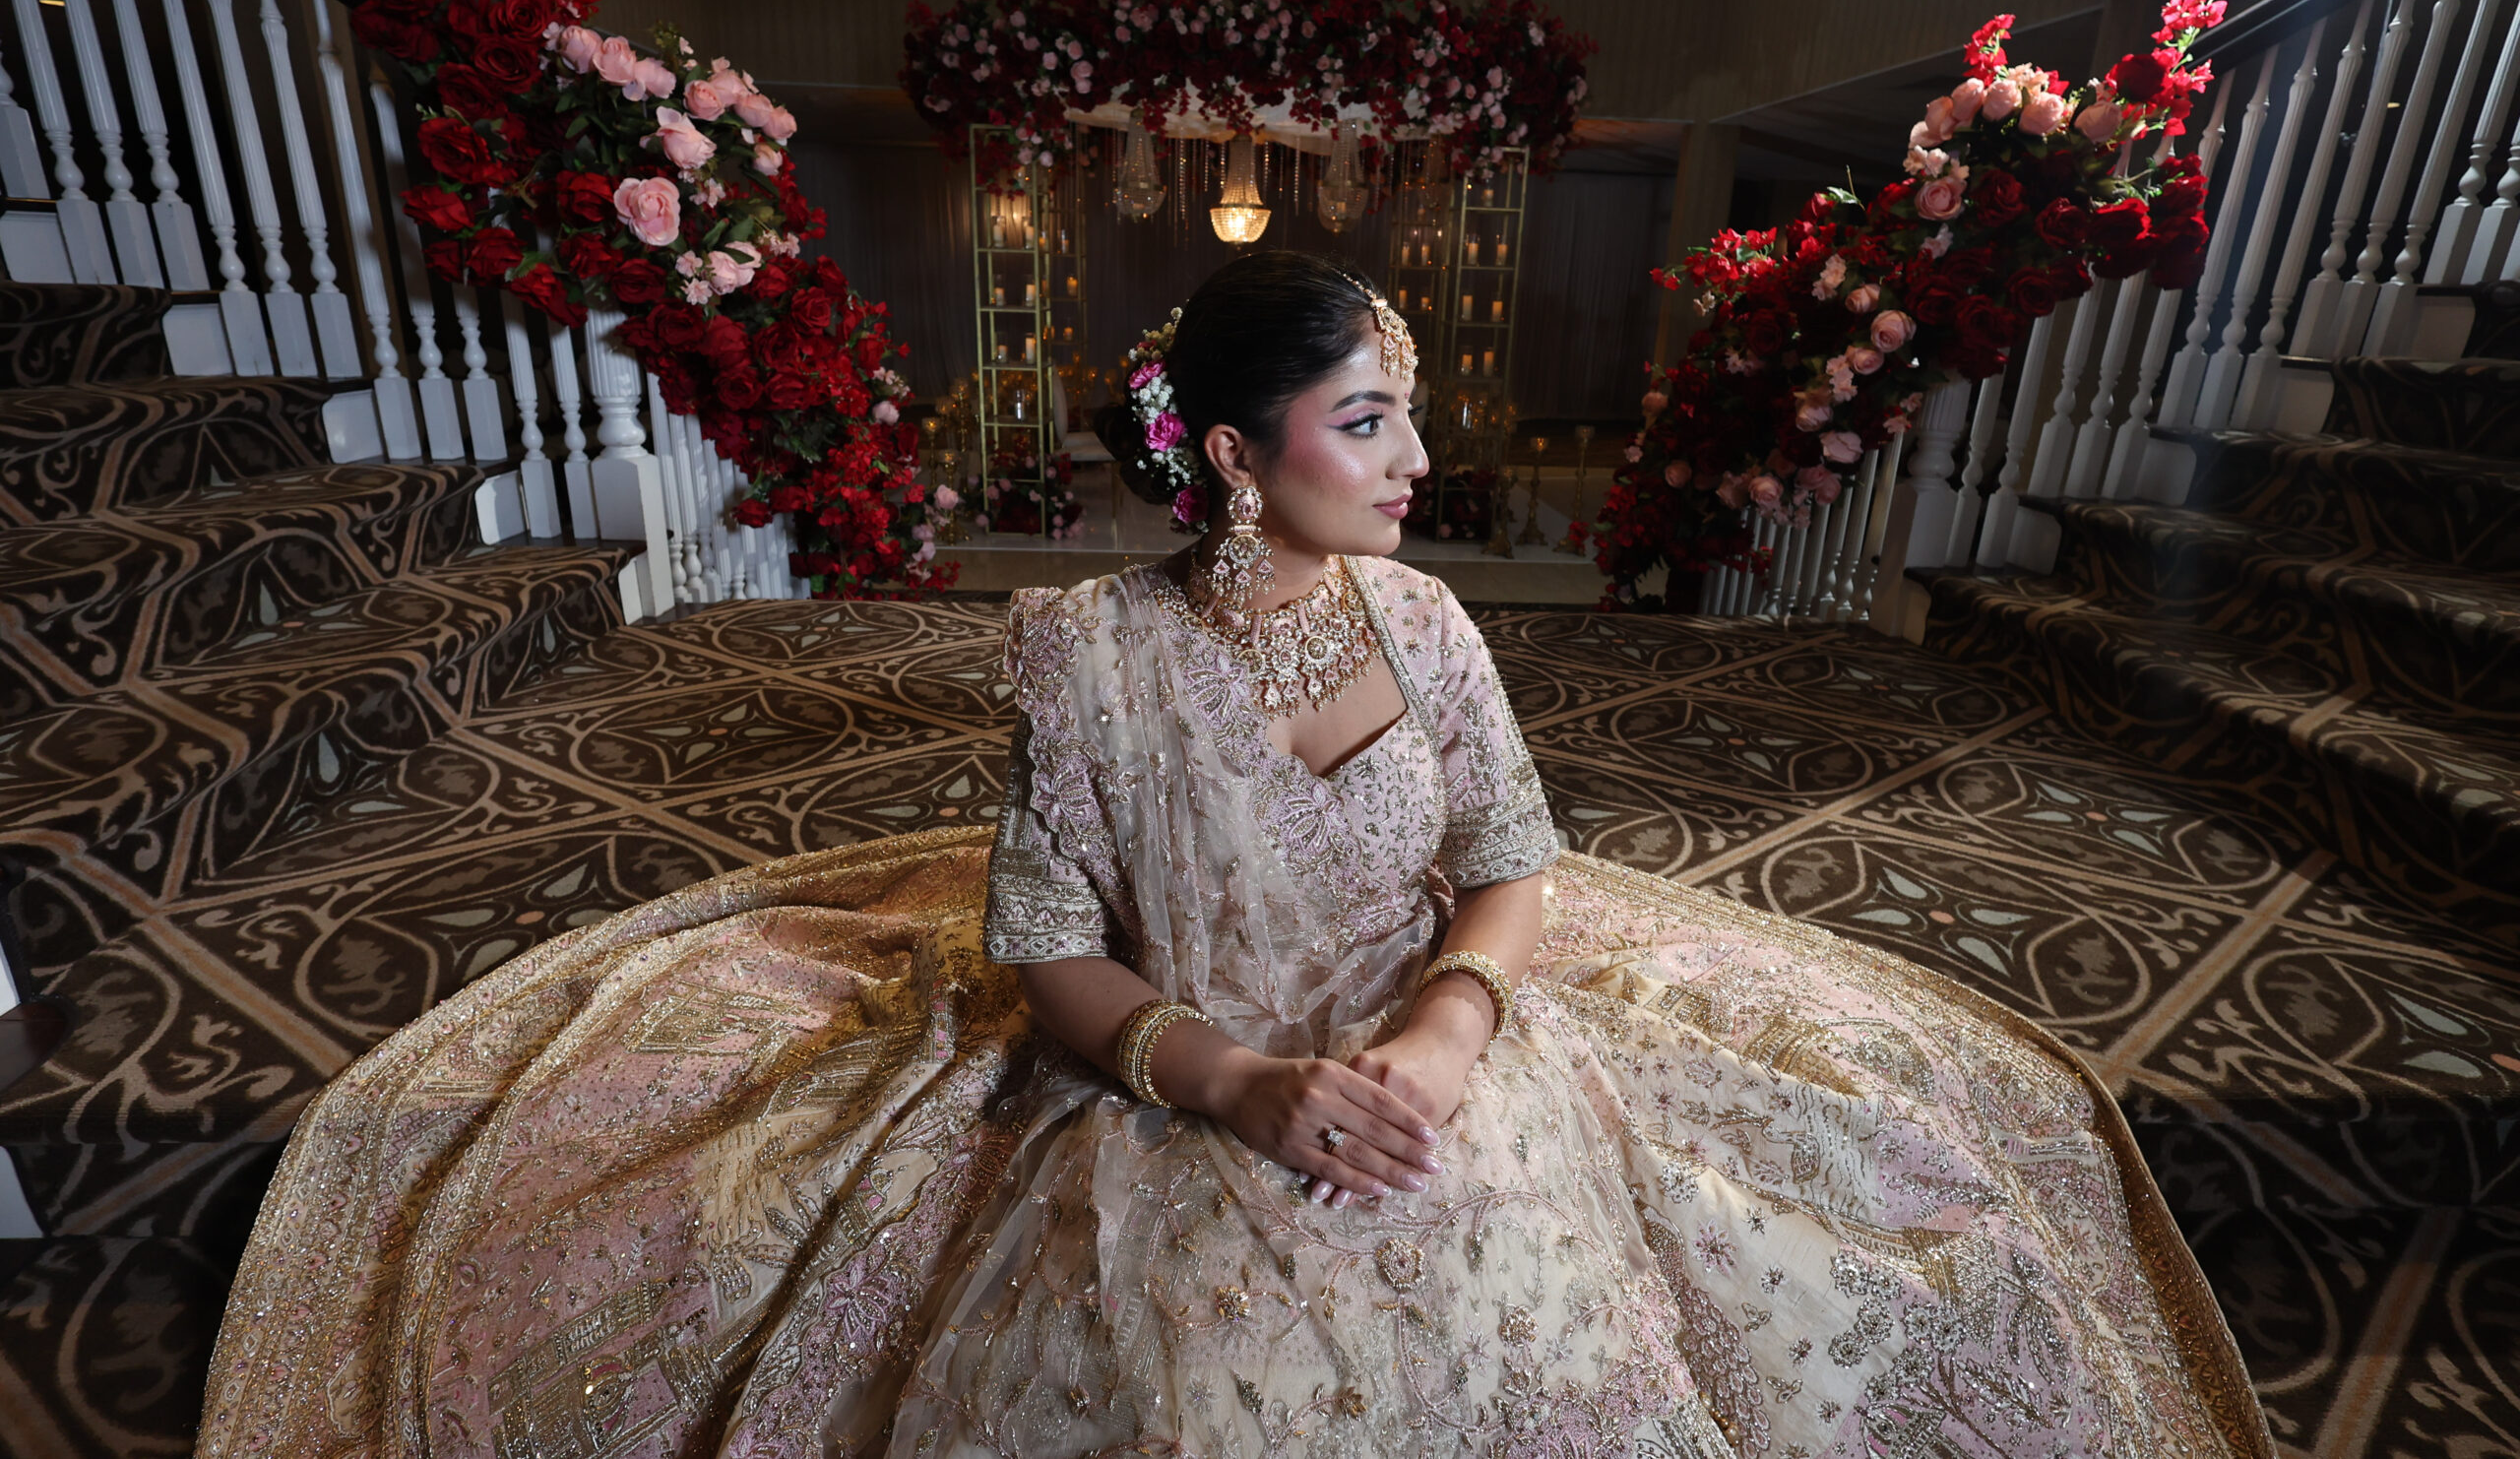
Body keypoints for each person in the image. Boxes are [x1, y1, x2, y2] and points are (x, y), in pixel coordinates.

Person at [200, 251, 2268, 1459]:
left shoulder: (1435, 624)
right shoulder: (1081, 653)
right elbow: (1043, 952)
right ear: (1229, 448)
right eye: (1366, 418)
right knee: (1194, 1377)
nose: (1416, 458)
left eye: (1403, 414)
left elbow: (1511, 858)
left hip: (1445, 1044)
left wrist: (1447, 1039)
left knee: (1567, 1337)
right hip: (1178, 1075)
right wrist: (1236, 1078)